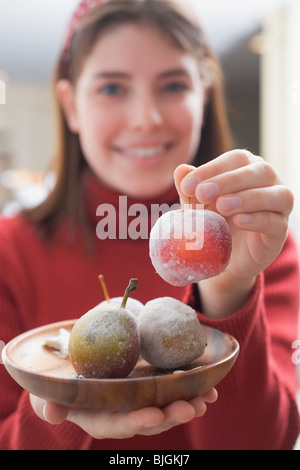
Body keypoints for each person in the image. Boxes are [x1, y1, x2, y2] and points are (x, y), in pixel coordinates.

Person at [0, 0, 299, 450]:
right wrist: (67, 408)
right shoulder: (9, 252)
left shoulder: (256, 243)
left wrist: (229, 286)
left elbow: (267, 440)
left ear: (204, 95)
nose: (146, 119)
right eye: (113, 89)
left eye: (173, 85)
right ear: (71, 105)